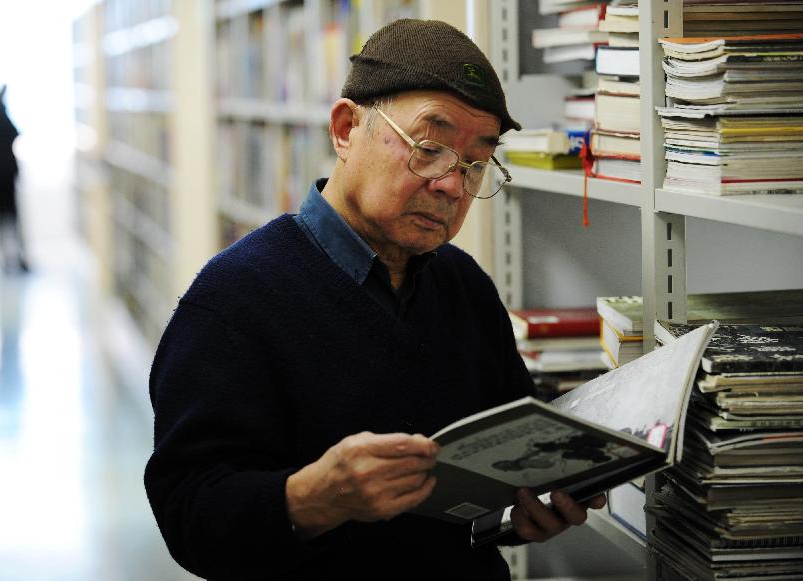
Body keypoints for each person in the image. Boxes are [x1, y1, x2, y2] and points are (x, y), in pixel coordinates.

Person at [145, 19, 606, 581]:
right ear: (345, 129)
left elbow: (501, 469)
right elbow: (187, 511)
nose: (452, 186)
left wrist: (528, 508)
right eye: (430, 148)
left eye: (475, 163)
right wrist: (311, 498)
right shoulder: (233, 298)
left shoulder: (464, 286)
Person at [0, 85, 29, 273]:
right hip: (5, 174)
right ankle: (13, 258)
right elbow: (13, 132)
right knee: (9, 217)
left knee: (3, 217)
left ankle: (10, 258)